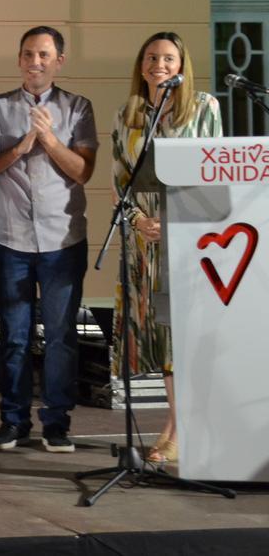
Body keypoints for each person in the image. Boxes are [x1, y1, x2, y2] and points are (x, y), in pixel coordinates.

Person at [0, 26, 97, 454]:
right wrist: (22, 145)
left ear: (59, 61)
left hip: (62, 239)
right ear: (19, 59)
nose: (36, 62)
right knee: (13, 334)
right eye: (29, 54)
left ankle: (56, 422)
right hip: (9, 237)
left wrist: (48, 140)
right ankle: (13, 421)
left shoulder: (77, 108)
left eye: (44, 55)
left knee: (61, 336)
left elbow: (82, 171)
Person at [111, 31, 222, 465]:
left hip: (191, 238)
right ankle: (177, 424)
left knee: (183, 337)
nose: (159, 64)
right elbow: (121, 177)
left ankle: (179, 428)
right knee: (162, 335)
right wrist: (139, 222)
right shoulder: (129, 115)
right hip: (146, 241)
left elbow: (214, 175)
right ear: (141, 66)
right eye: (152, 57)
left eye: (169, 58)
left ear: (182, 67)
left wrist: (175, 223)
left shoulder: (203, 108)